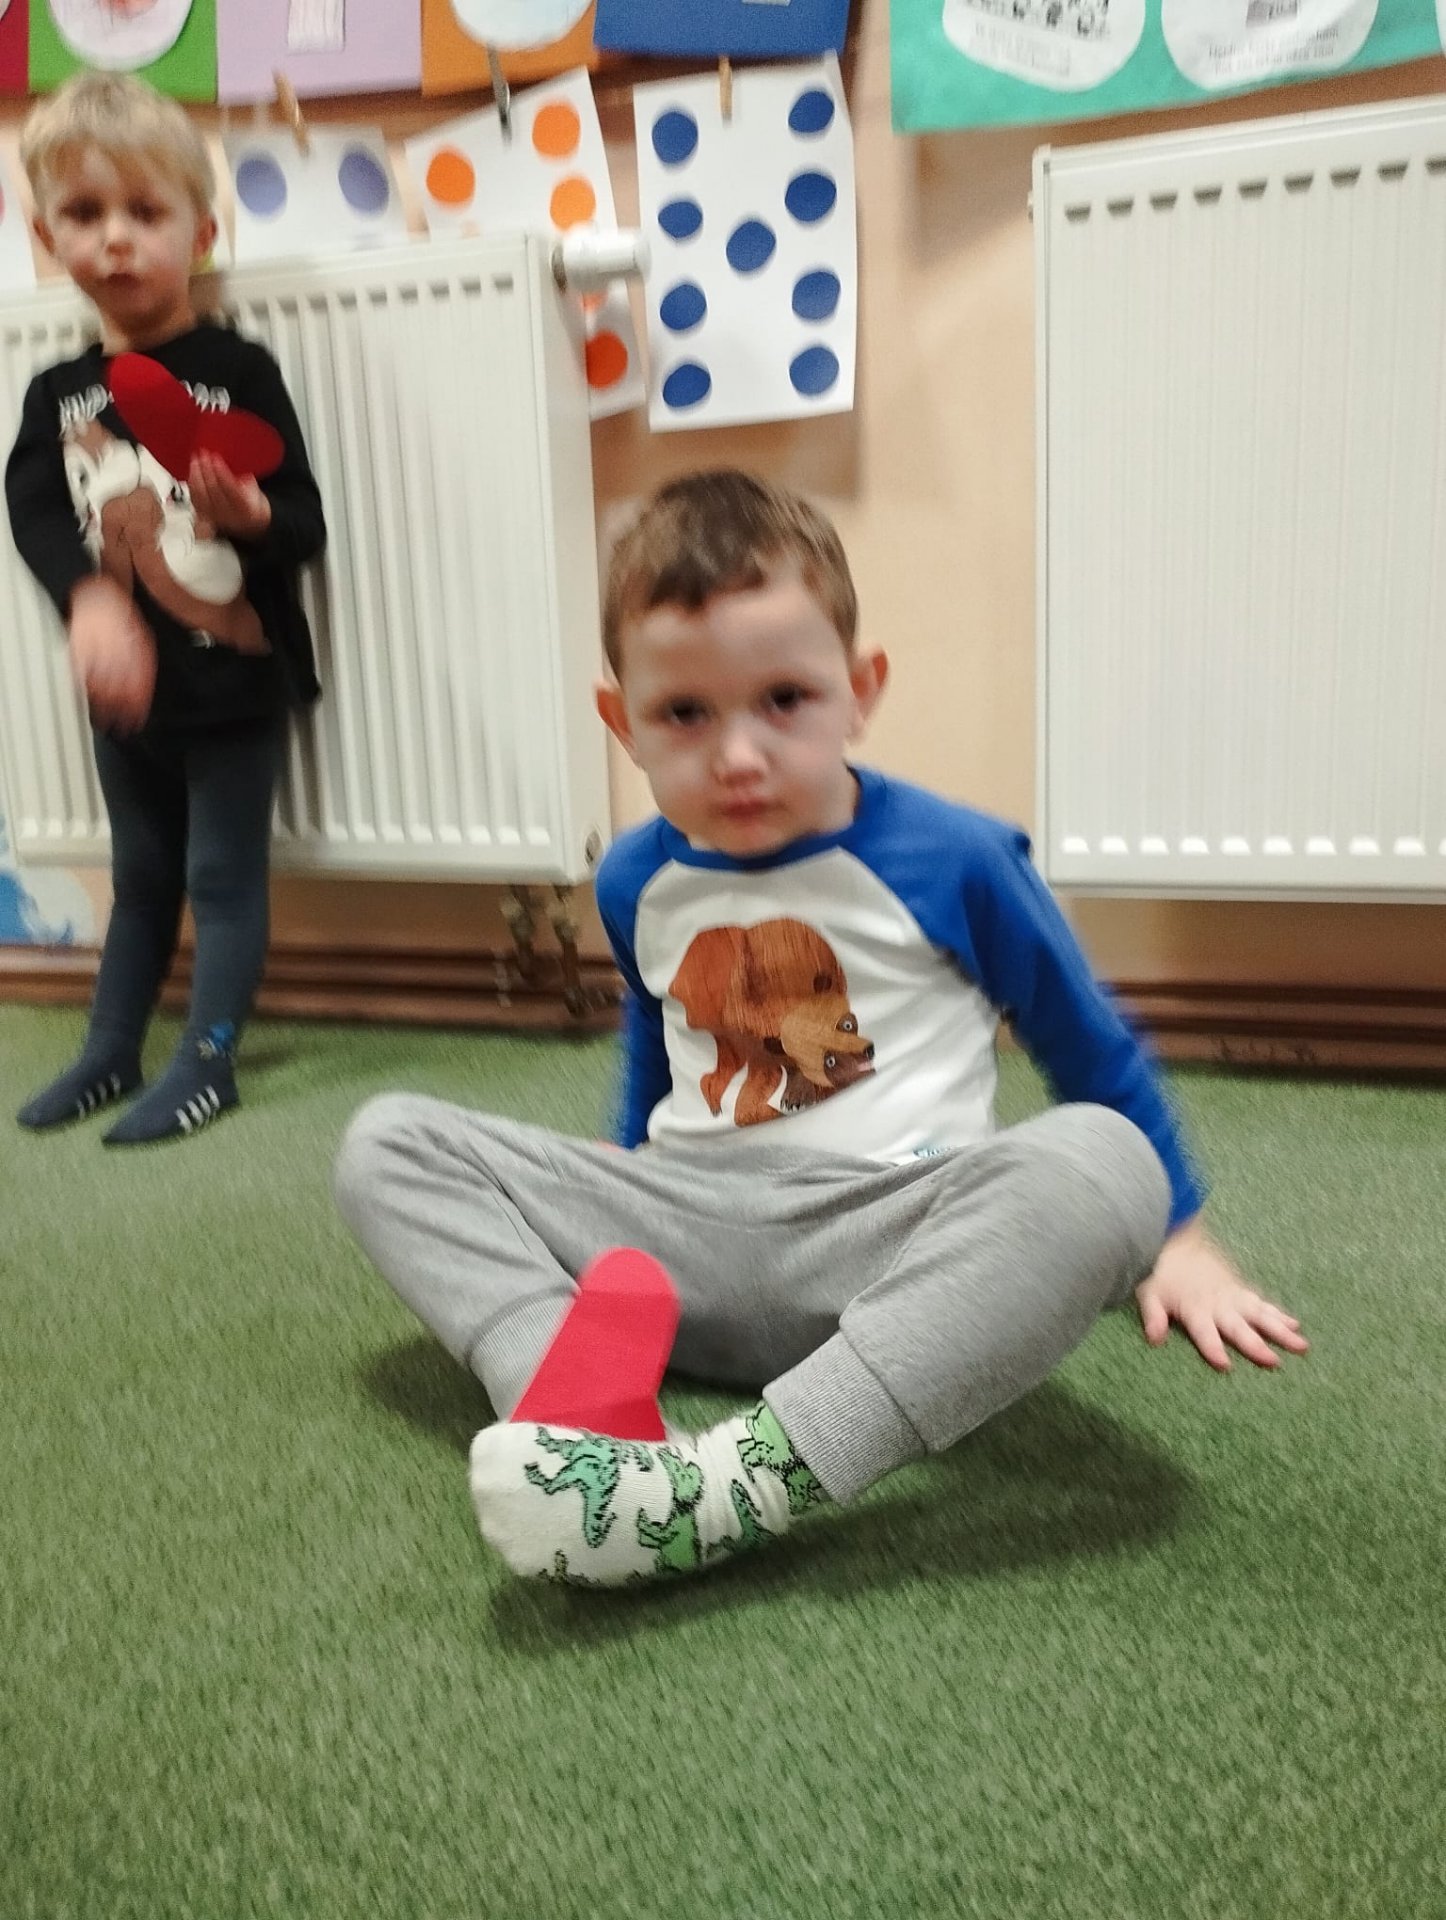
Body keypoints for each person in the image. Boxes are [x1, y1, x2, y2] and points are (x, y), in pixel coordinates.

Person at [334, 470, 1307, 1587]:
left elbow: (1087, 1044)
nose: (739, 755)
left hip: (887, 1249)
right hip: (681, 1236)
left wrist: (1179, 1239)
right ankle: (577, 1408)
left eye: (785, 699)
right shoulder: (637, 875)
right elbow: (659, 1030)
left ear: (860, 690)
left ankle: (715, 1494)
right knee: (388, 1142)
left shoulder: (958, 857)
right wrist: (625, 1159)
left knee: (1105, 1161)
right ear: (621, 722)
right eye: (685, 714)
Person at [7, 71, 325, 1145]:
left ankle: (209, 1059)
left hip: (233, 680)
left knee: (219, 876)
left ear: (201, 232)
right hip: (128, 695)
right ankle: (110, 1049)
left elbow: (304, 521)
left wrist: (251, 515)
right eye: (85, 214)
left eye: (144, 211)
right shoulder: (56, 396)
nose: (115, 239)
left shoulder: (239, 369)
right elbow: (36, 512)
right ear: (46, 236)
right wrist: (87, 601)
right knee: (140, 878)